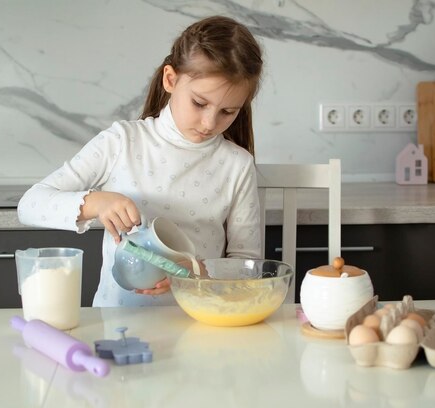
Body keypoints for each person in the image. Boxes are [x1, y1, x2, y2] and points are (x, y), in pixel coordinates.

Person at [18, 15, 264, 307]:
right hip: (114, 322)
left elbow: (247, 264)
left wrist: (198, 272)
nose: (209, 122)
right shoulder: (121, 141)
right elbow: (30, 204)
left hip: (198, 323)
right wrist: (95, 203)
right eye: (199, 103)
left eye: (228, 111)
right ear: (170, 79)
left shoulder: (237, 165)